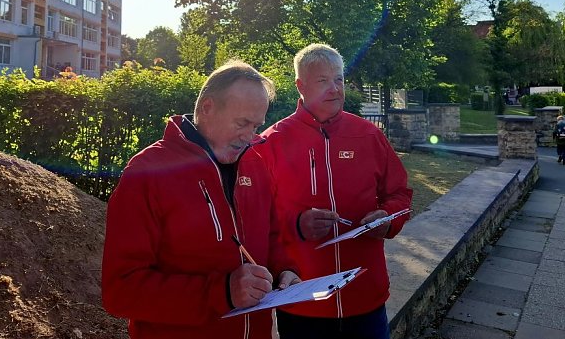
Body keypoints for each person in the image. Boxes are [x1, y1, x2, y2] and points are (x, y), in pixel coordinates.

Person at [102, 61, 300, 339]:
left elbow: (271, 236)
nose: (249, 137)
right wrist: (221, 293)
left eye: (256, 126)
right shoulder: (147, 172)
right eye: (242, 123)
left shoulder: (254, 163)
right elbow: (121, 291)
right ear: (207, 108)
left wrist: (284, 272)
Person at [256, 44, 412, 339]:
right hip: (301, 299)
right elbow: (254, 216)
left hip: (365, 295)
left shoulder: (369, 135)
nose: (334, 88)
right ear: (300, 86)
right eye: (322, 81)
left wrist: (387, 217)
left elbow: (400, 193)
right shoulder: (271, 143)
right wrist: (296, 224)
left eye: (338, 79)